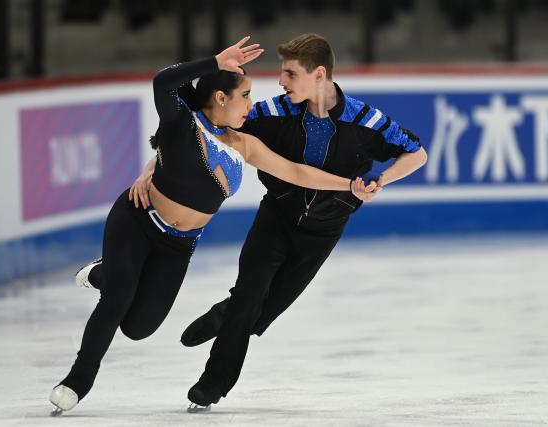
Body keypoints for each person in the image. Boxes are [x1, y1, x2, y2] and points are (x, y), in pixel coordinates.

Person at [49, 36, 373, 415]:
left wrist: (348, 185)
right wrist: (215, 61)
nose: (251, 105)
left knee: (139, 327)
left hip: (179, 244)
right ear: (221, 98)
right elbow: (162, 82)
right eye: (246, 96)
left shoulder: (243, 143)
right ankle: (77, 380)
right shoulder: (181, 120)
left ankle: (106, 274)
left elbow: (297, 171)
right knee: (117, 301)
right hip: (136, 220)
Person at [162, 33, 428, 409]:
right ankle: (212, 385)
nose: (281, 81)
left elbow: (416, 153)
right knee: (249, 298)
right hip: (275, 218)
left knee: (261, 314)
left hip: (322, 233)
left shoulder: (366, 121)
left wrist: (380, 180)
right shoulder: (272, 112)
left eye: (289, 73)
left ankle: (226, 313)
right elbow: (197, 114)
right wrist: (153, 160)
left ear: (318, 75)